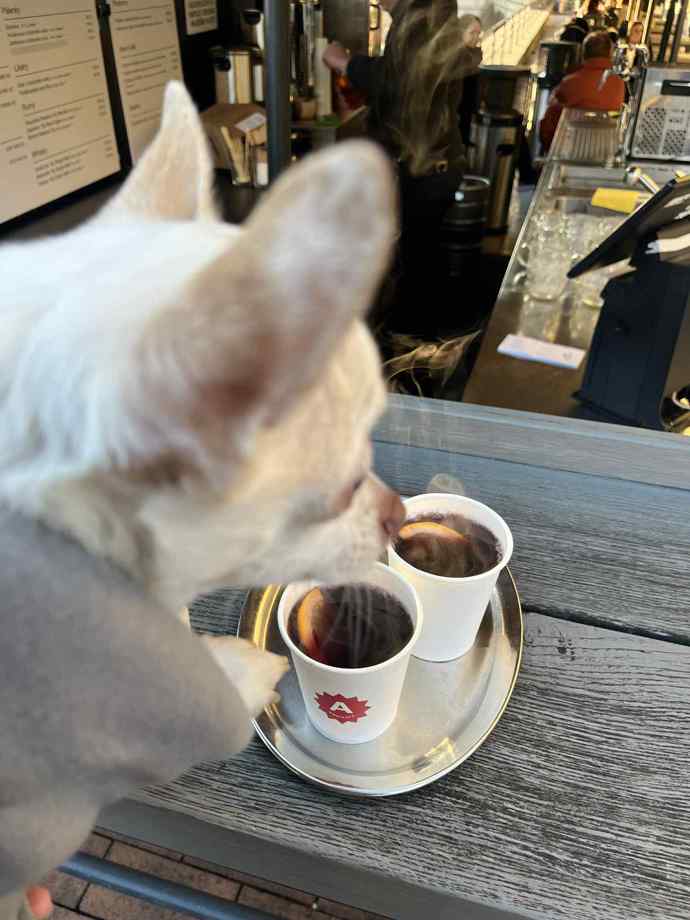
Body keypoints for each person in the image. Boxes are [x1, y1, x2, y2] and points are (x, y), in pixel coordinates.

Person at [323, 0, 472, 336]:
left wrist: (344, 62)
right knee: (420, 261)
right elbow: (411, 86)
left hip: (426, 169)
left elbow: (401, 81)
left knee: (417, 268)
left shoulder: (419, 17)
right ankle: (416, 343)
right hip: (435, 164)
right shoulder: (428, 13)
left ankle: (413, 357)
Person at [539, 30, 626, 151]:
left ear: (583, 54)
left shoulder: (569, 83)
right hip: (603, 151)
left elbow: (547, 126)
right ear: (610, 55)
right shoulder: (619, 84)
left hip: (569, 150)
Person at [457, 14, 483, 147]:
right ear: (461, 32)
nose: (476, 37)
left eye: (478, 33)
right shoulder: (458, 57)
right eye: (472, 33)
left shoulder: (474, 55)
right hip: (458, 119)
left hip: (469, 117)